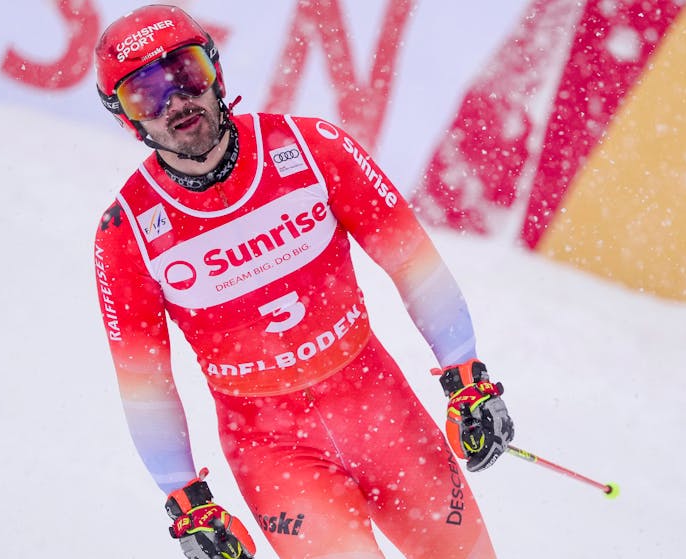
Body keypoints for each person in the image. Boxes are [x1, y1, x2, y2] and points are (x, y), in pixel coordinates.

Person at [92, 5, 514, 558]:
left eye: (186, 74)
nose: (177, 102)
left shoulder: (314, 148)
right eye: (146, 95)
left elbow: (415, 265)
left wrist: (466, 373)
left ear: (215, 71)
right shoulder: (125, 234)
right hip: (273, 453)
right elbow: (146, 383)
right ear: (126, 118)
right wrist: (188, 504)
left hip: (381, 413)